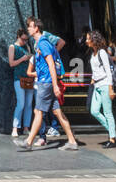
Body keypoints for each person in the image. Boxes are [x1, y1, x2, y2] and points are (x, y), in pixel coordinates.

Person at [16, 17, 79, 152]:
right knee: (57, 111)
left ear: (36, 28)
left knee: (38, 111)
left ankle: (28, 142)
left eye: (30, 26)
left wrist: (55, 85)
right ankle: (72, 141)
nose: (28, 29)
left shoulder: (43, 43)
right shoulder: (44, 43)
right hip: (48, 82)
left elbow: (51, 63)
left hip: (46, 83)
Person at [87, 30, 116, 147]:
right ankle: (112, 130)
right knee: (94, 111)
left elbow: (108, 72)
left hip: (104, 84)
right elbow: (95, 71)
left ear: (94, 40)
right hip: (96, 85)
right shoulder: (92, 54)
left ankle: (112, 139)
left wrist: (110, 89)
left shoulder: (102, 53)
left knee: (107, 112)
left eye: (88, 38)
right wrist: (93, 80)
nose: (86, 41)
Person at [9, 28, 34, 137]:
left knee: (29, 104)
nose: (25, 41)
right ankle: (15, 128)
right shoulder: (12, 47)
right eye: (23, 39)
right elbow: (11, 63)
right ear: (18, 37)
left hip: (28, 77)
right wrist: (23, 58)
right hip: (18, 78)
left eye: (26, 39)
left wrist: (30, 58)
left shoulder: (27, 46)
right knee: (21, 103)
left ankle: (26, 127)